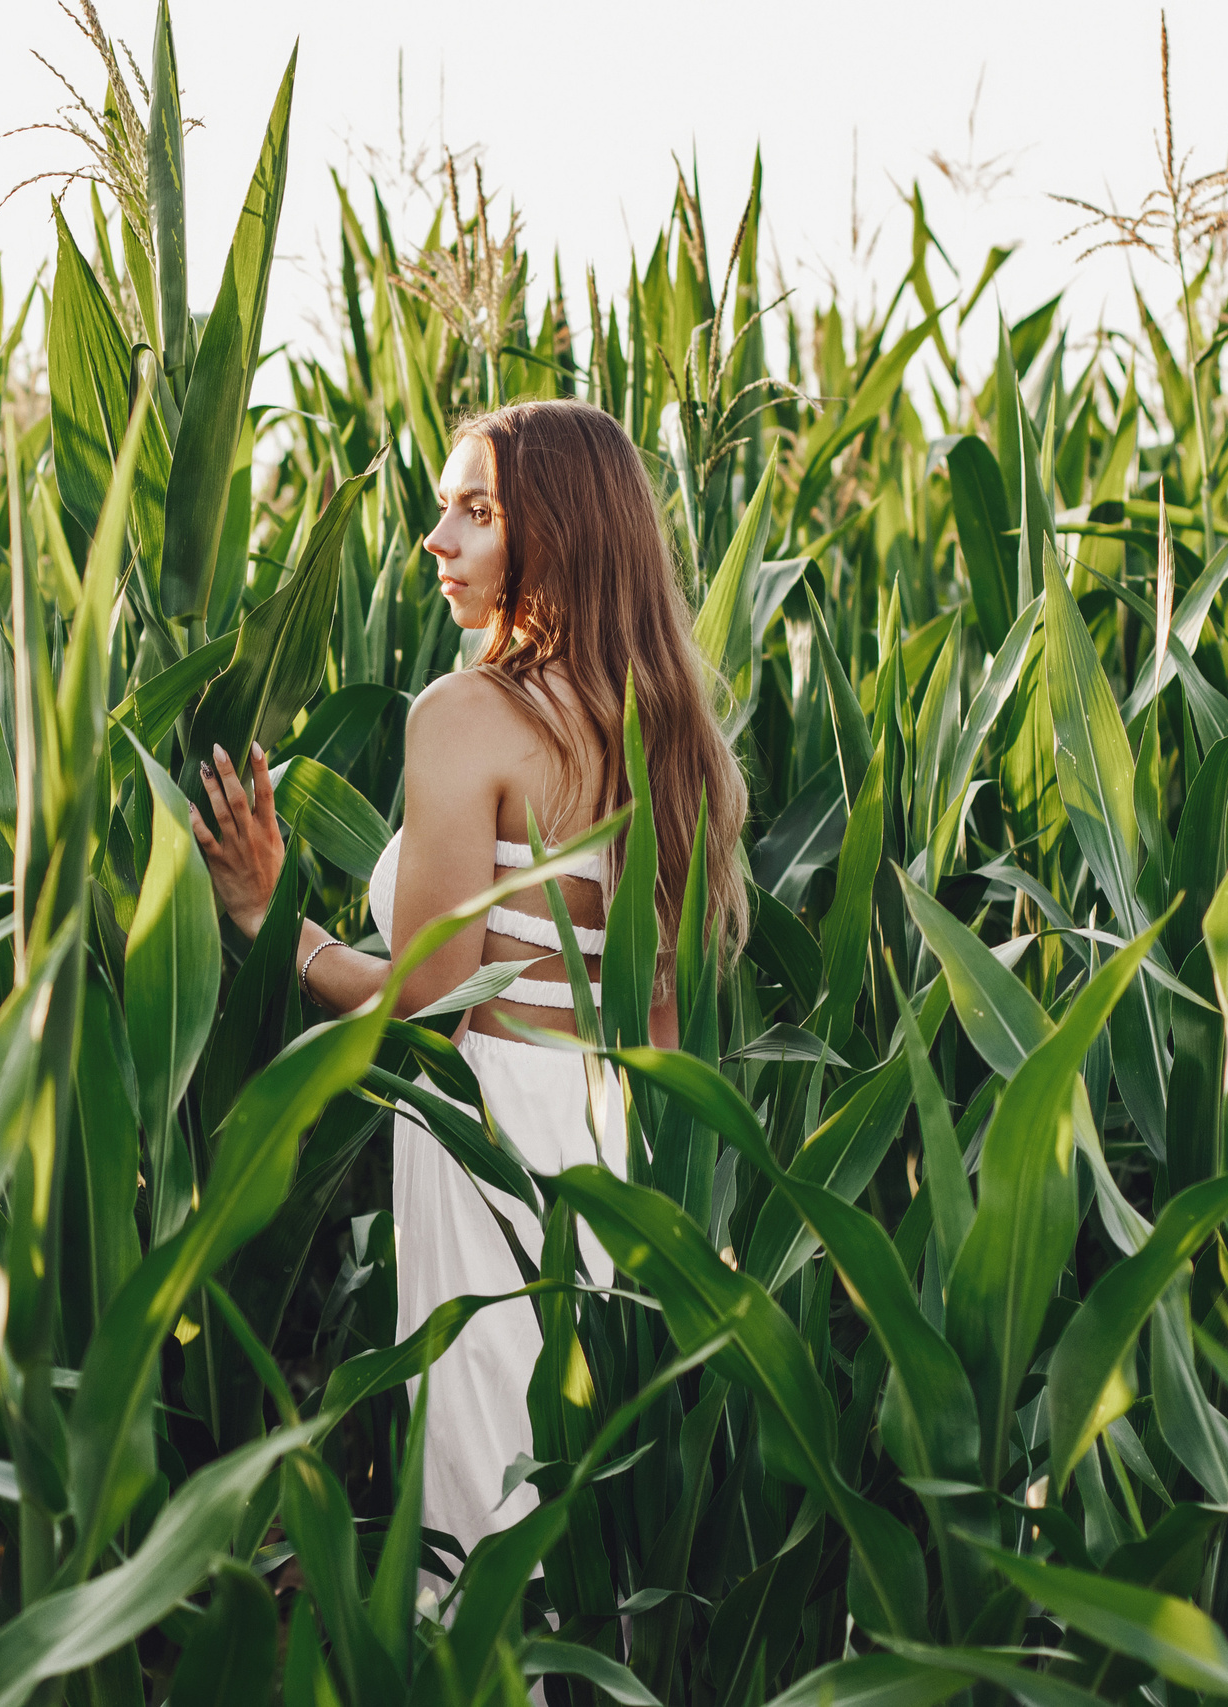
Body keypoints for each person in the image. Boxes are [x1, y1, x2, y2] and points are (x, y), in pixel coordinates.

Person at [190, 397, 749, 1576]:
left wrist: (268, 918)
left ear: (560, 533)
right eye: (444, 507)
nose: (435, 539)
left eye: (476, 512)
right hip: (627, 1147)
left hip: (489, 1140)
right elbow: (664, 1022)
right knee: (593, 1523)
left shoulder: (464, 715)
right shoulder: (665, 728)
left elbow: (429, 1001)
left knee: (488, 1512)